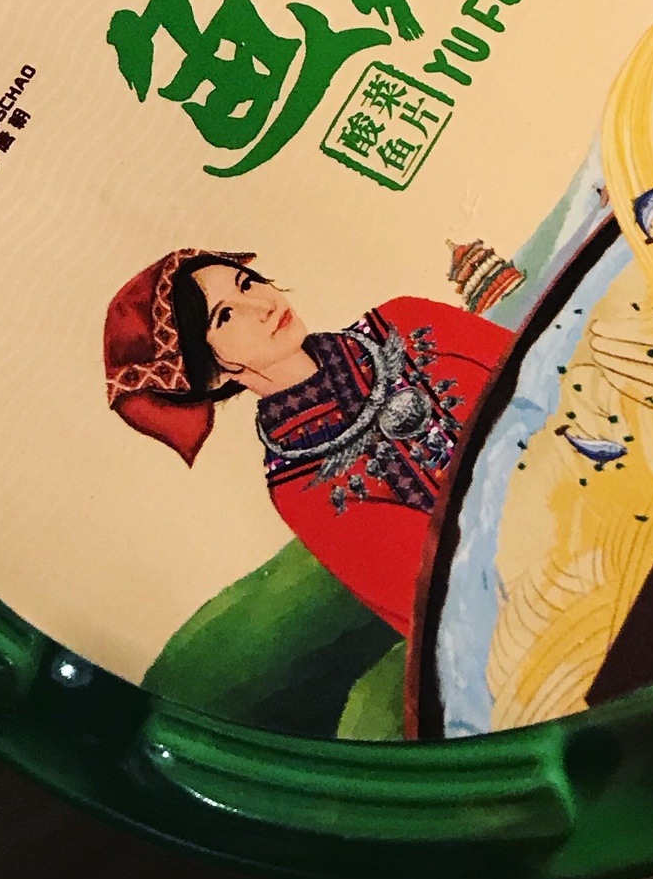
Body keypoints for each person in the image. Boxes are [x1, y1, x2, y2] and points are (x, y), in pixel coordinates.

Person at [103, 249, 511, 643]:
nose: (261, 305)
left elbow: (538, 363)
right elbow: (450, 598)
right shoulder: (300, 486)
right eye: (225, 316)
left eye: (247, 284)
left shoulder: (403, 320)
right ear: (211, 371)